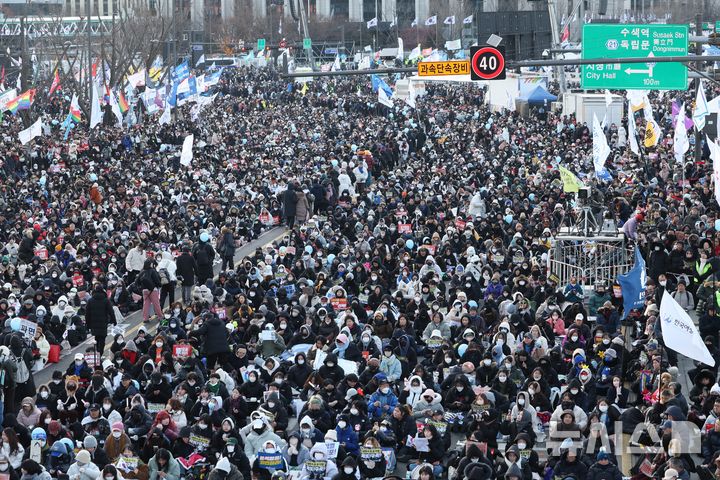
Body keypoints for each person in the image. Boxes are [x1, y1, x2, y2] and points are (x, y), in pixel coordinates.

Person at [85, 285, 115, 354]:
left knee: (97, 338)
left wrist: (87, 325)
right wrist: (114, 321)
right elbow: (111, 311)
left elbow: (87, 314)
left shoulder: (90, 300)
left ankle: (97, 352)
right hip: (103, 323)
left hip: (93, 324)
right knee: (102, 339)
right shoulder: (106, 300)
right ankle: (100, 353)